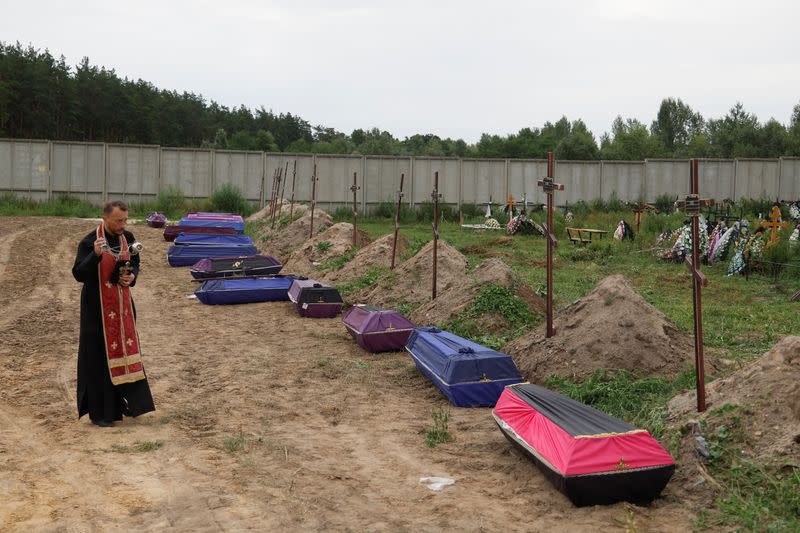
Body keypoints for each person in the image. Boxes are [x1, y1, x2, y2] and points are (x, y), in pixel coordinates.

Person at [72, 200, 155, 427]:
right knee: (99, 360)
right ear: (105, 218)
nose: (123, 224)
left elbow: (135, 261)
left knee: (128, 352)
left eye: (125, 220)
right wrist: (95, 256)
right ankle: (102, 414)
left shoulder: (127, 238)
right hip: (96, 311)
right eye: (119, 220)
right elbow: (78, 273)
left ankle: (131, 405)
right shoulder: (90, 241)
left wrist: (132, 276)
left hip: (123, 309)